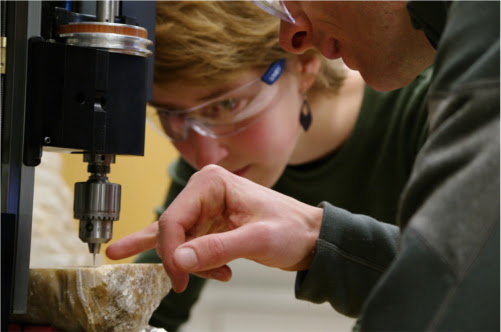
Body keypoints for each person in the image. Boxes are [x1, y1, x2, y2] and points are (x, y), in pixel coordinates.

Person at [107, 1, 499, 330]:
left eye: (227, 105)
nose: (206, 157)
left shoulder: (442, 104)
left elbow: (457, 293)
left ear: (305, 64)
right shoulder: (216, 163)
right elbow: (154, 310)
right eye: (174, 119)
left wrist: (322, 239)